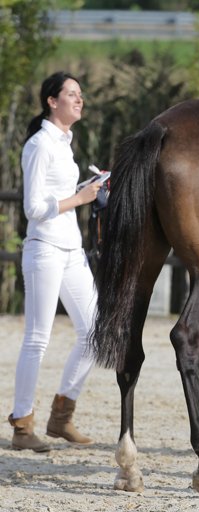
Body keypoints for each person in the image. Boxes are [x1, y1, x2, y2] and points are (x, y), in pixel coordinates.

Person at [8, 72, 102, 452]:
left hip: (71, 249)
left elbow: (57, 194)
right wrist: (79, 200)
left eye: (81, 94)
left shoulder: (65, 143)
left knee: (95, 330)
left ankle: (61, 415)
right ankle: (22, 425)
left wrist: (87, 190)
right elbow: (32, 208)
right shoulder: (39, 145)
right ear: (52, 101)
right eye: (72, 94)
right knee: (37, 339)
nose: (79, 100)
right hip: (45, 249)